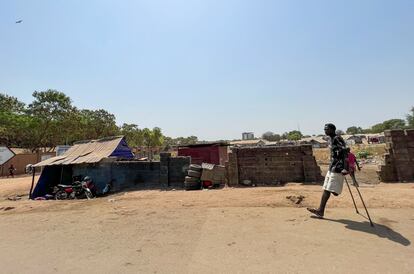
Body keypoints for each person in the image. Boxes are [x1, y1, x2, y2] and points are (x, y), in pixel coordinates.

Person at [307, 123, 348, 218]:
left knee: (329, 189)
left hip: (338, 168)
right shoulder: (331, 139)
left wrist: (345, 167)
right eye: (324, 129)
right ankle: (320, 211)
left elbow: (345, 151)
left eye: (327, 129)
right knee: (326, 188)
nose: (325, 131)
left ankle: (321, 210)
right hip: (332, 167)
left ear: (333, 130)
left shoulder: (337, 138)